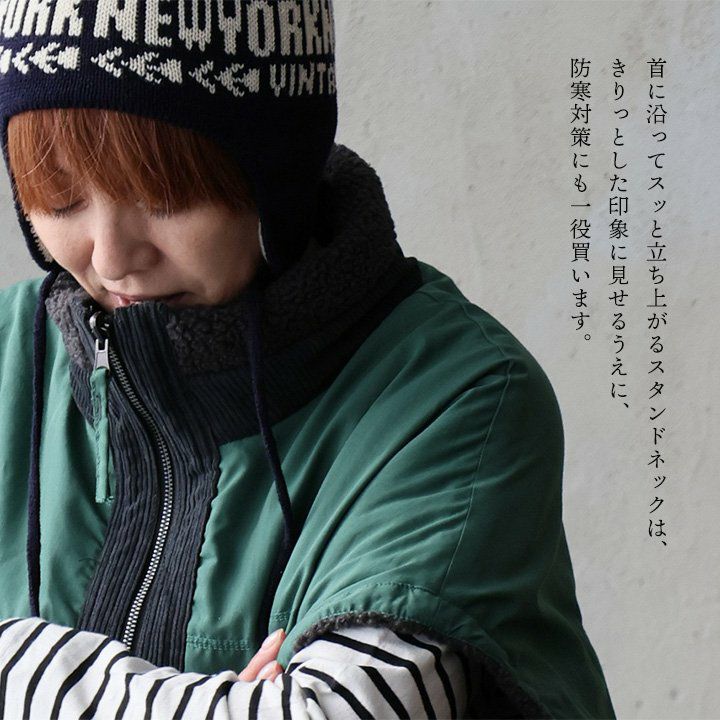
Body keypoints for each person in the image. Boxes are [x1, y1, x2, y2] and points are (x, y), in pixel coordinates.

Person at [0, 1, 615, 718]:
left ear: (275, 177)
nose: (111, 258)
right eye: (61, 198)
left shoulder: (456, 396)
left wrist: (22, 670)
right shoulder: (12, 354)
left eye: (164, 196)